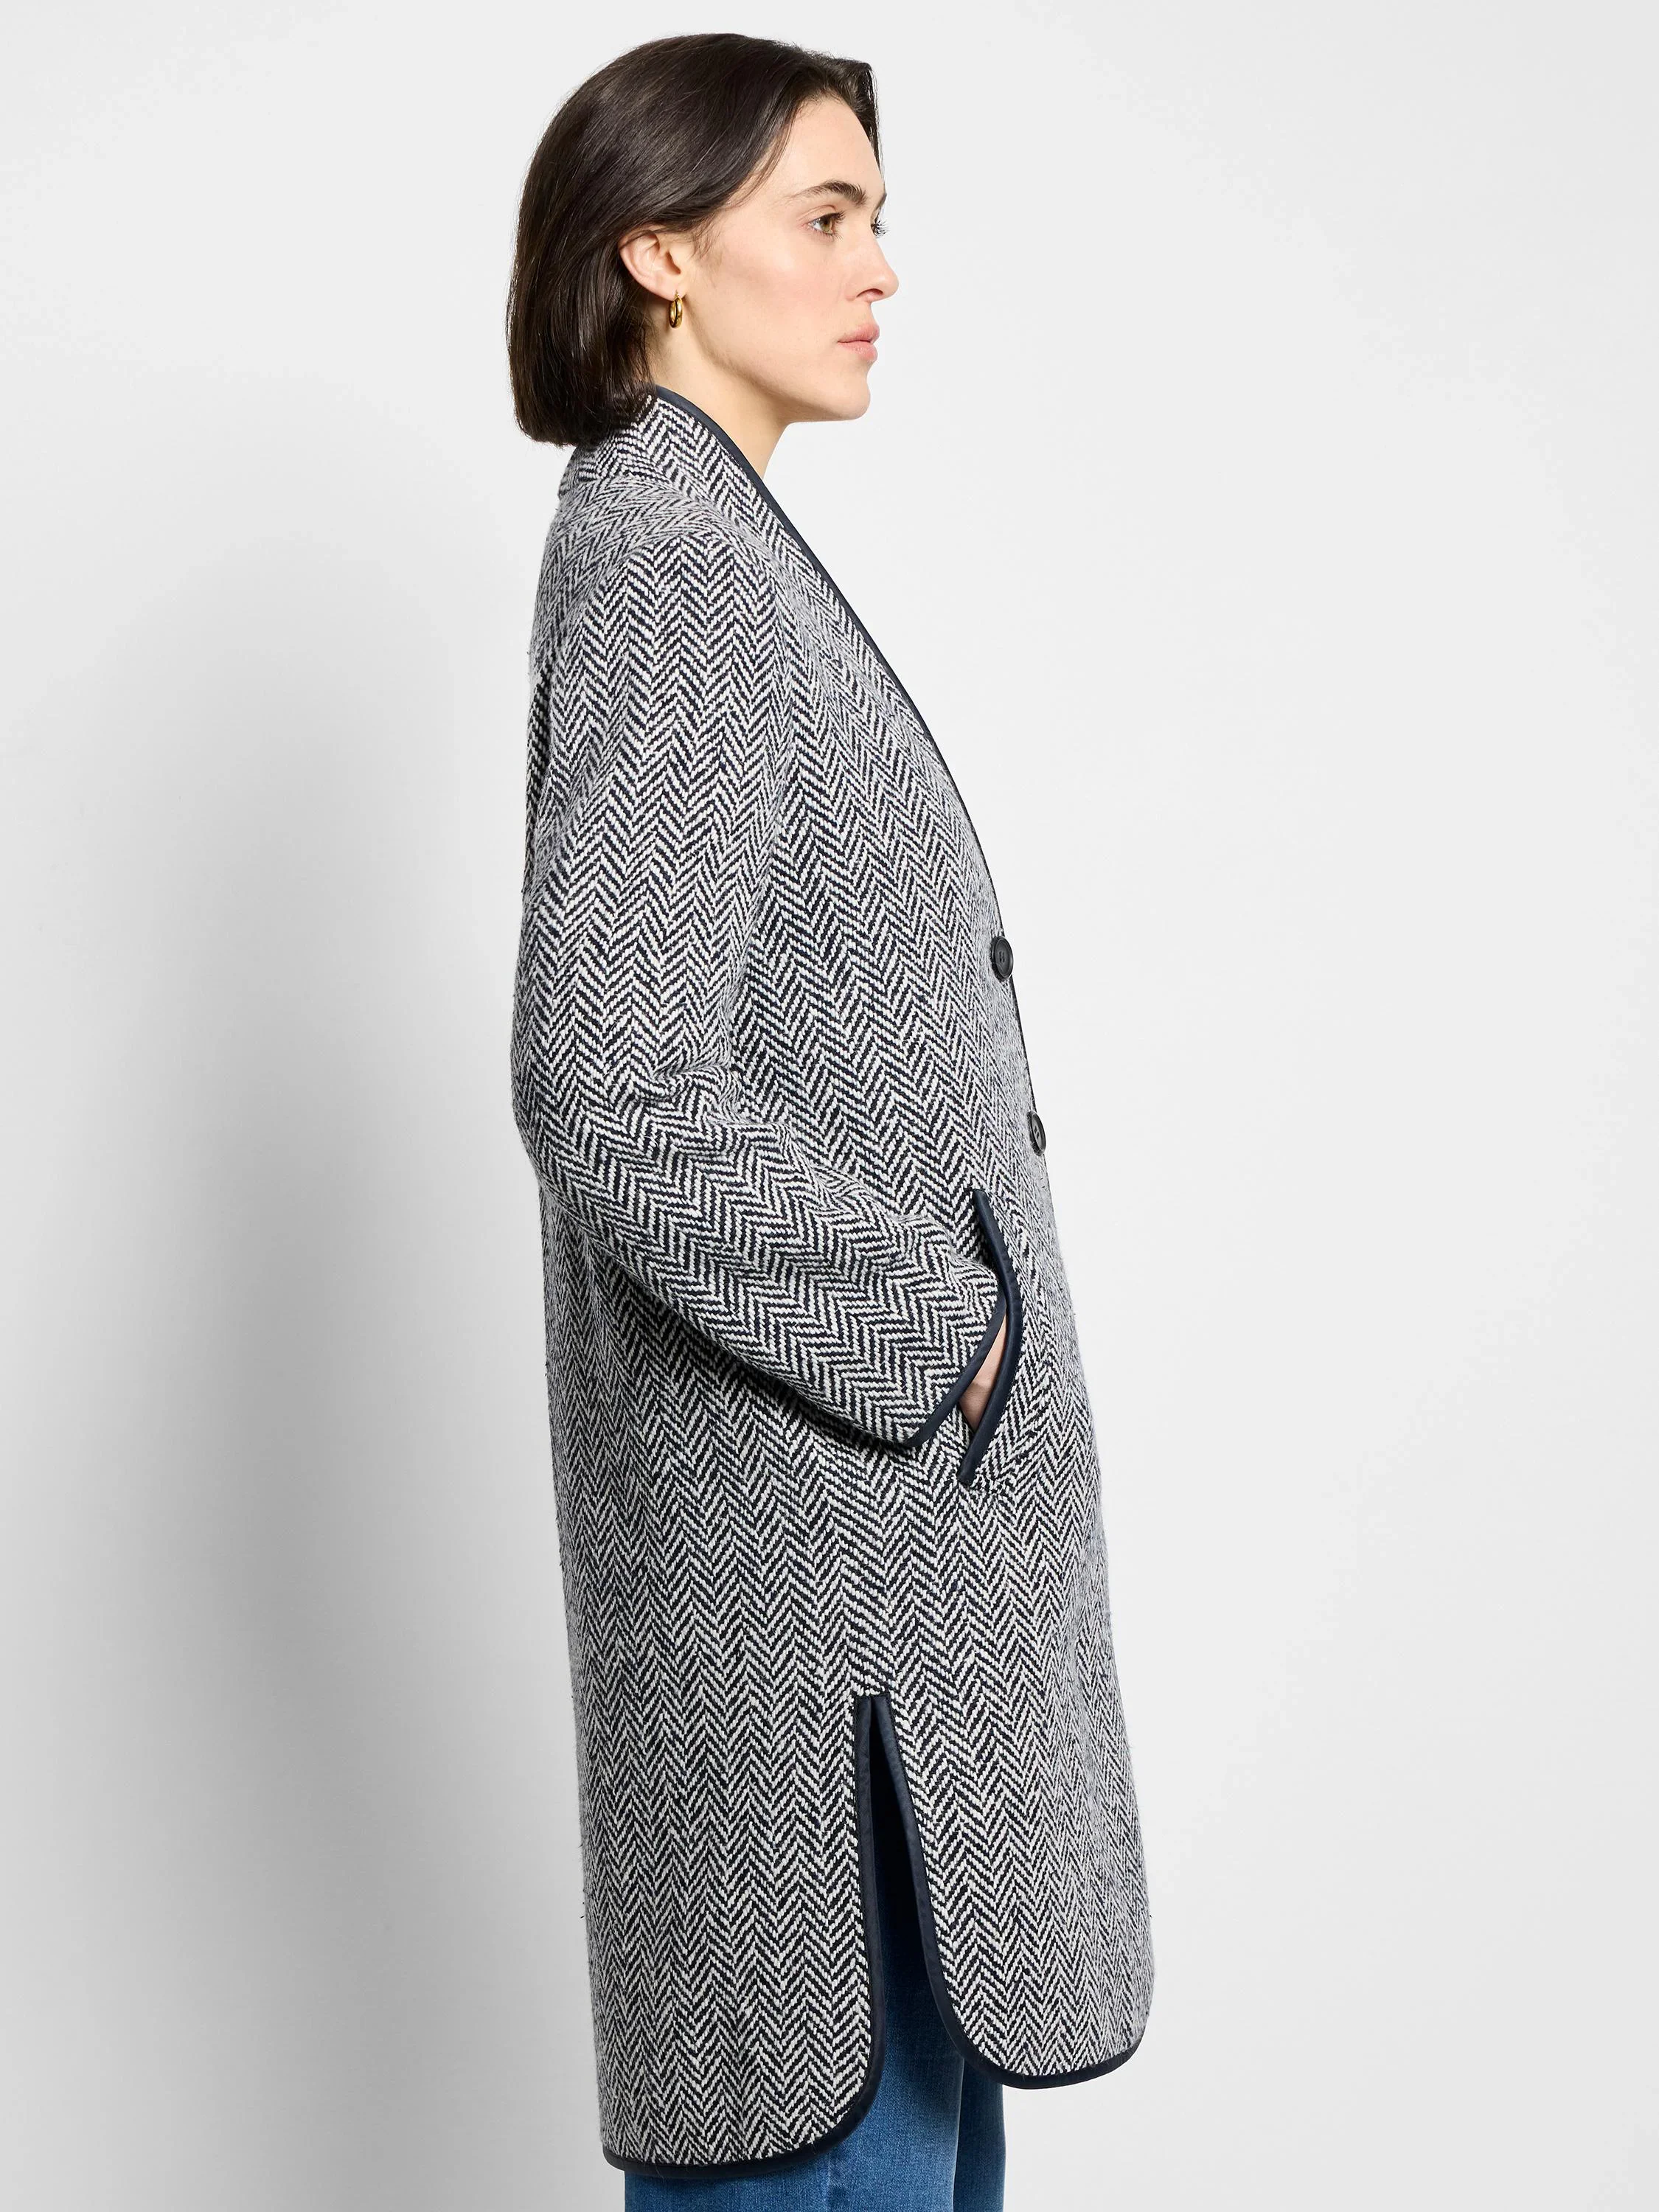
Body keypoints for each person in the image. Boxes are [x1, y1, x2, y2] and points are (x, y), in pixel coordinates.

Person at [505, 31, 1155, 2205]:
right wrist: (938, 1345)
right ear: (660, 250)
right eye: (828, 213)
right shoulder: (664, 556)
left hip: (883, 1608)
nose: (880, 266)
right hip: (818, 1627)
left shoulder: (723, 544)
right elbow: (609, 1081)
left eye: (881, 216)